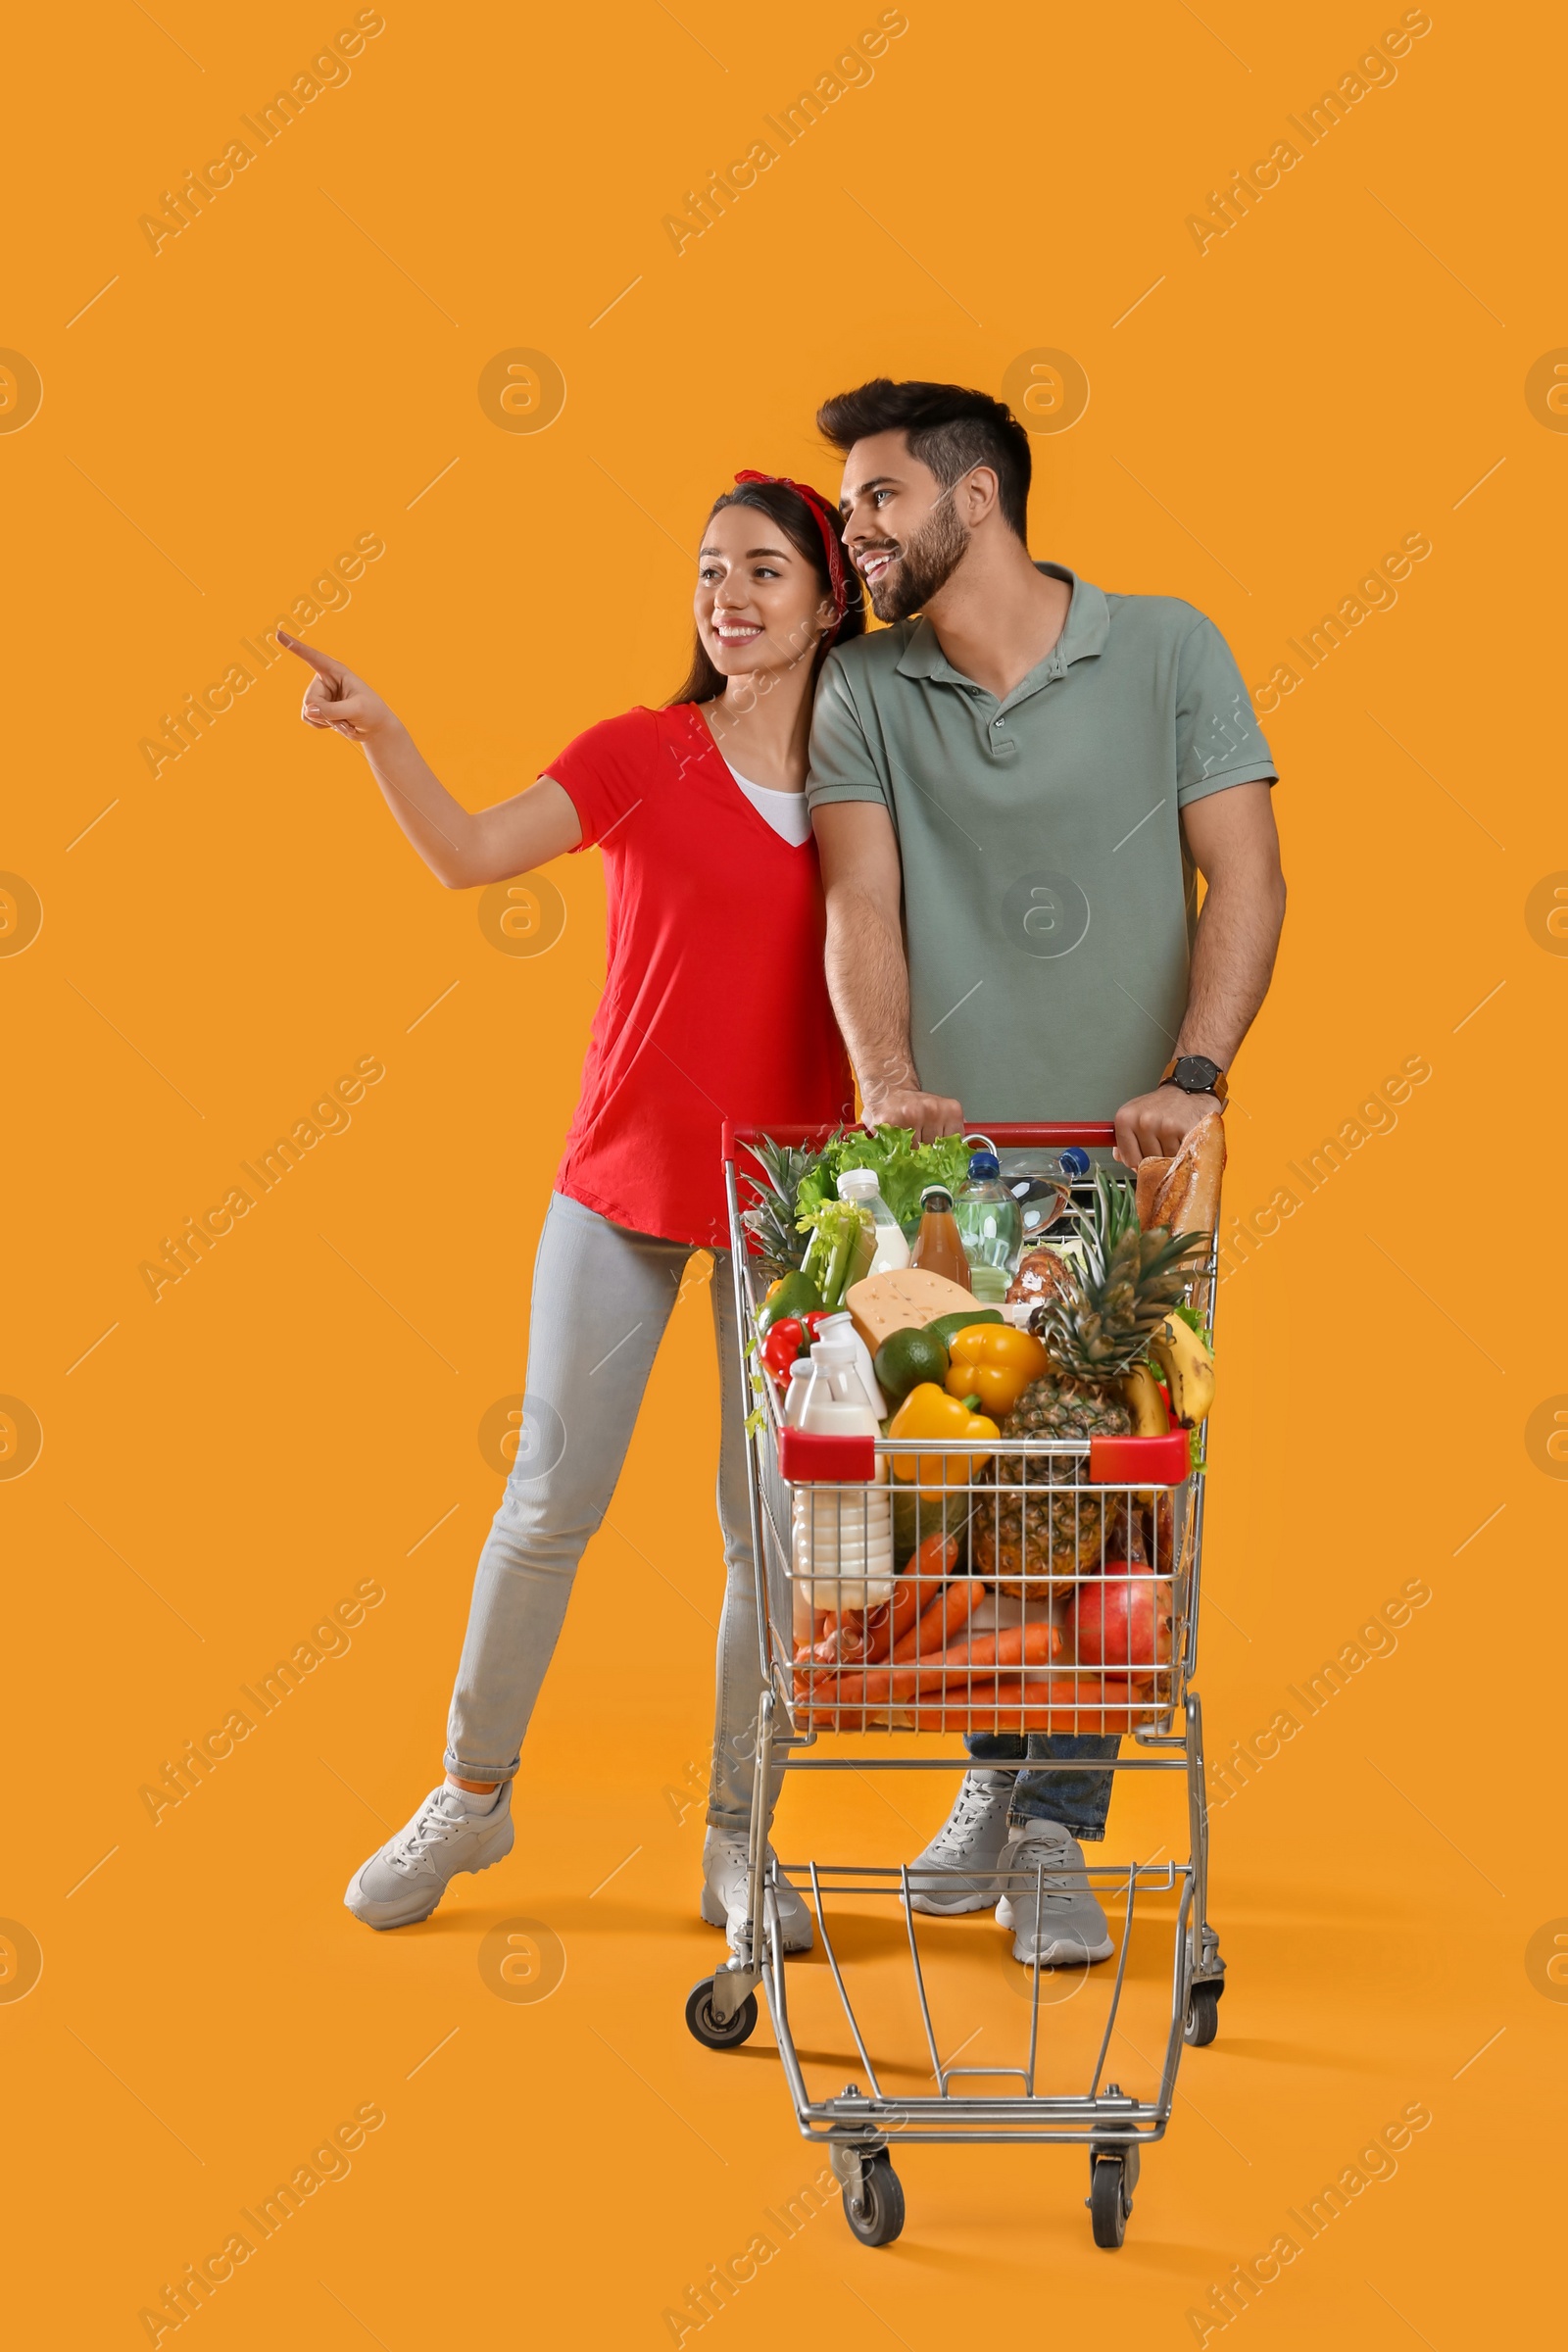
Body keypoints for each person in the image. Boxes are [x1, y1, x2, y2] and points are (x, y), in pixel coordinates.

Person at [279, 469, 862, 1944]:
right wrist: (386, 737)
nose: (727, 596)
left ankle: (741, 1842)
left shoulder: (879, 784)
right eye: (709, 572)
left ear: (829, 599)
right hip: (619, 1187)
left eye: (764, 573)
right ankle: (472, 1799)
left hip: (795, 1211)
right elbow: (474, 854)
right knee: (546, 1507)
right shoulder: (640, 753)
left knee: (770, 1540)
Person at [807, 377, 1286, 1966]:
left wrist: (1194, 1077)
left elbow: (1247, 873)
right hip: (956, 1178)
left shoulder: (1165, 651)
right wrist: (885, 1083)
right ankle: (1001, 1785)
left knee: (1095, 1492)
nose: (853, 533)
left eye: (878, 498)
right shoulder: (863, 689)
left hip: (1126, 1166)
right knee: (954, 1493)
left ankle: (1048, 1831)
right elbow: (859, 898)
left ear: (978, 498)